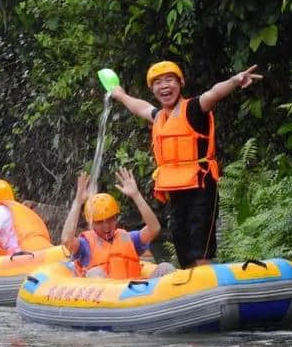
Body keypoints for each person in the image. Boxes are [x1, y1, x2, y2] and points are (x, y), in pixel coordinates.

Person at [110, 61, 263, 268]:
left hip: (201, 187)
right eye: (157, 83)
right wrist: (119, 94)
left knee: (200, 247)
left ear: (180, 83)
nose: (164, 86)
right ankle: (191, 287)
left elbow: (214, 93)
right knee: (183, 249)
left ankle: (208, 288)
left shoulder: (193, 108)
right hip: (176, 191)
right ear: (152, 89)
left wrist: (234, 81)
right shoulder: (159, 117)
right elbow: (140, 107)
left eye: (169, 80)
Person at [61, 168, 172, 279]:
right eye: (100, 222)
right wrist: (77, 202)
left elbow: (154, 228)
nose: (106, 226)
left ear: (116, 218)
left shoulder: (129, 238)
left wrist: (136, 195)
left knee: (166, 268)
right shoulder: (85, 245)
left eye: (110, 220)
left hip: (134, 292)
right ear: (92, 224)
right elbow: (67, 240)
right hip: (104, 292)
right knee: (95, 273)